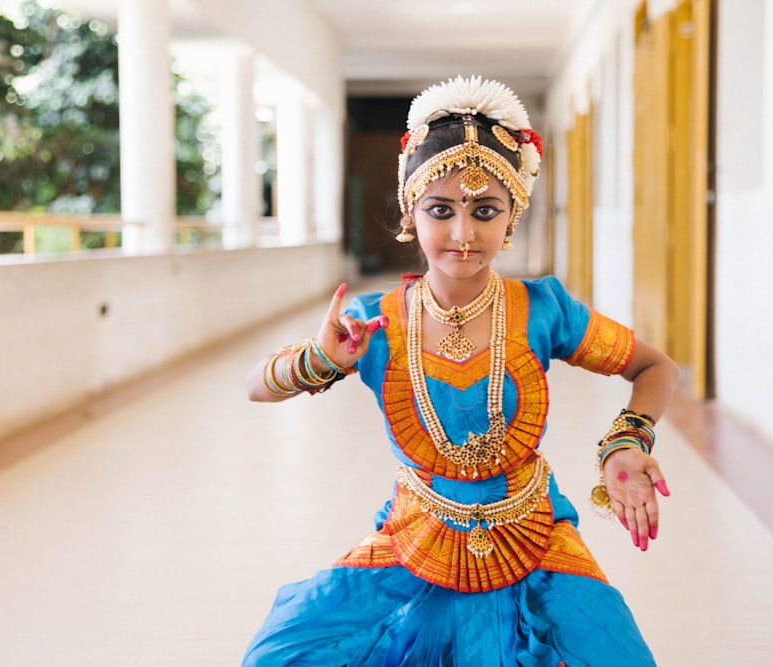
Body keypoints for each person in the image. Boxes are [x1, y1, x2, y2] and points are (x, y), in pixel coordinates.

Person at [242, 75, 679, 666]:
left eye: (485, 210)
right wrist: (320, 359)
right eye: (441, 210)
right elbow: (256, 388)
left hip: (535, 533)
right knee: (280, 655)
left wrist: (627, 441)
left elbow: (655, 366)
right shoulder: (373, 322)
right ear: (411, 212)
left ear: (511, 216)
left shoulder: (544, 309)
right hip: (414, 534)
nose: (463, 234)